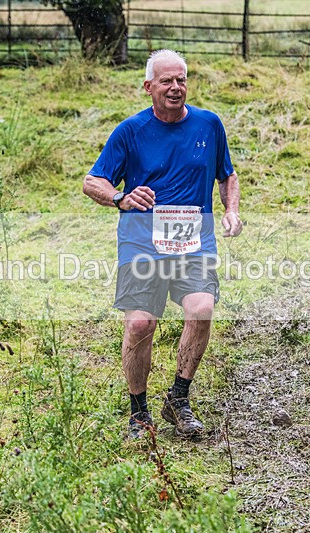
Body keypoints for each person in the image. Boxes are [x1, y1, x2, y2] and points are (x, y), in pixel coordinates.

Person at [82, 49, 242, 439]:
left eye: (181, 80)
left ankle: (178, 399)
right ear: (148, 86)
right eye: (166, 81)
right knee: (141, 323)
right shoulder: (130, 131)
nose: (175, 87)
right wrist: (120, 197)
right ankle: (139, 413)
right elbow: (92, 181)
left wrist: (231, 211)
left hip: (194, 243)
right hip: (142, 243)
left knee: (201, 309)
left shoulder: (209, 125)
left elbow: (227, 175)